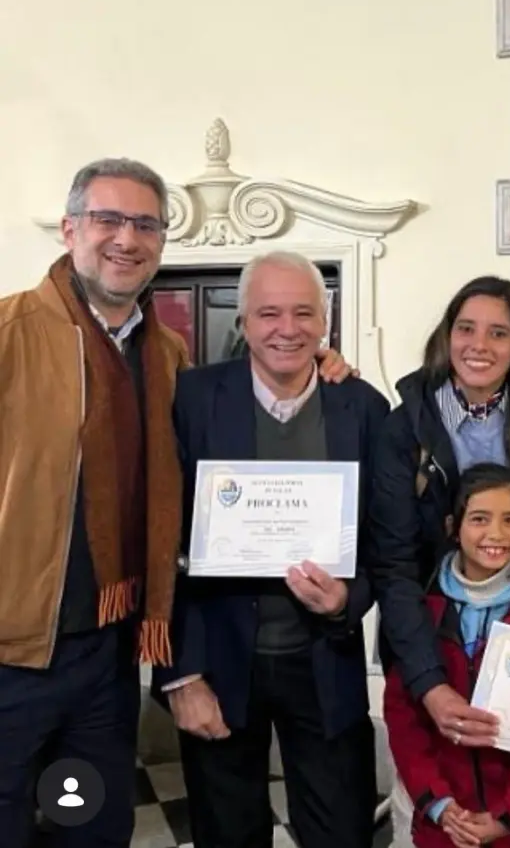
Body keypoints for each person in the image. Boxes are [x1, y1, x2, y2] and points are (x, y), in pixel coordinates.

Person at [152, 251, 388, 848]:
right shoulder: (192, 399)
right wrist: (180, 674)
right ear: (244, 321)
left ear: (326, 321)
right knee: (228, 834)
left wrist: (348, 599)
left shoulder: (362, 407)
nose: (288, 328)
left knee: (342, 832)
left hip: (325, 661)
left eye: (304, 313)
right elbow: (160, 540)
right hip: (219, 663)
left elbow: (383, 543)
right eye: (269, 313)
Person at [0, 158, 189, 848]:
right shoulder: (9, 332)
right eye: (108, 219)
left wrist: (317, 369)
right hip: (12, 653)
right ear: (70, 228)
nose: (126, 238)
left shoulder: (168, 354)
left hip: (107, 656)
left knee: (87, 821)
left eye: (145, 224)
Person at [369, 276, 510, 844]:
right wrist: (429, 684)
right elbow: (394, 565)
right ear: (446, 335)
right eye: (466, 329)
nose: (479, 345)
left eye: (498, 333)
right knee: (432, 806)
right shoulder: (405, 426)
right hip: (432, 643)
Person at [382, 462, 510, 848]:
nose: (496, 534)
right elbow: (404, 716)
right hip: (447, 821)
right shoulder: (423, 608)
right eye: (479, 519)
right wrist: (438, 804)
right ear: (452, 527)